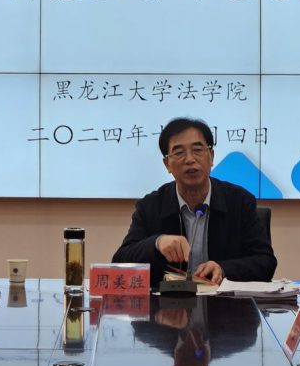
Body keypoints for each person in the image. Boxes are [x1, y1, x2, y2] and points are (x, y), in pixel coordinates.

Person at [112, 117, 276, 286]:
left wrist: (224, 269)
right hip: (169, 301)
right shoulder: (150, 206)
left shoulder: (239, 201)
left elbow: (265, 262)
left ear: (211, 157)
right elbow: (121, 261)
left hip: (224, 300)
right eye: (179, 153)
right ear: (167, 164)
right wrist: (157, 243)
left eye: (197, 150)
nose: (190, 159)